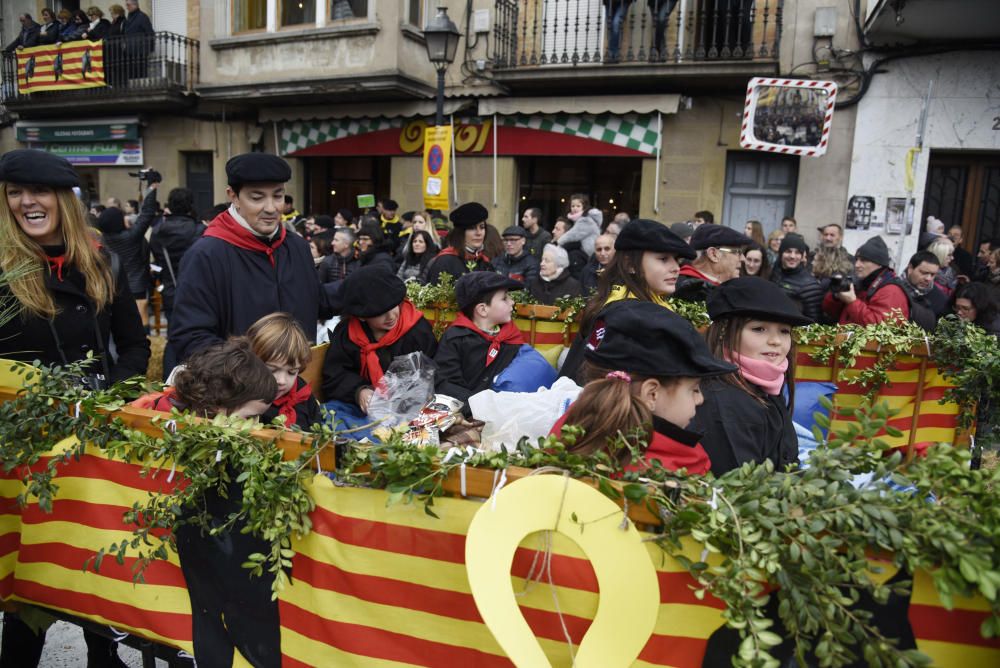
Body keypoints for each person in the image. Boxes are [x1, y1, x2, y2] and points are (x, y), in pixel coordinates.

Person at [0, 149, 149, 668]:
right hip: (24, 444)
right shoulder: (1, 268)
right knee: (32, 571)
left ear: (62, 199)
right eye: (15, 192)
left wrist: (110, 396)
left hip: (96, 437)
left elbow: (134, 345)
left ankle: (102, 658)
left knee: (94, 556)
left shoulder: (101, 259)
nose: (26, 202)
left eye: (37, 191)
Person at [132, 338, 282, 668]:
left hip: (207, 550)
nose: (254, 428)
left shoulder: (210, 430)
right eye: (249, 418)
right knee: (204, 623)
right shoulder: (176, 434)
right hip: (193, 548)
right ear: (215, 407)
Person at [169, 153, 331, 362]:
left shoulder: (297, 246)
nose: (271, 208)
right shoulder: (205, 255)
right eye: (257, 198)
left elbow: (315, 301)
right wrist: (251, 374)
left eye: (278, 196)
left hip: (297, 384)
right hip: (239, 387)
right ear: (233, 196)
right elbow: (191, 337)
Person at [551, 301, 736, 473]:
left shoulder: (567, 432)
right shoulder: (681, 467)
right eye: (694, 389)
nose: (700, 399)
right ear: (652, 394)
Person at [690, 277, 810, 476]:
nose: (775, 341)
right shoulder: (721, 398)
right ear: (724, 332)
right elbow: (741, 487)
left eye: (784, 331)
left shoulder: (766, 383)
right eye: (759, 329)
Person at [561, 219, 695, 381]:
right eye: (664, 259)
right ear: (630, 265)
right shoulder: (626, 316)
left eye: (677, 260)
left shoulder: (641, 306)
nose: (676, 268)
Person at [321, 267, 436, 414]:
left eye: (393, 306)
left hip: (412, 408)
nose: (391, 316)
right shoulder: (347, 335)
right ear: (361, 316)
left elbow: (431, 371)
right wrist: (359, 392)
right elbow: (336, 374)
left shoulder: (416, 330)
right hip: (363, 409)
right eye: (380, 313)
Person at [434, 271, 528, 410]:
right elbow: (446, 383)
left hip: (502, 411)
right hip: (462, 412)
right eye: (504, 298)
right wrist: (478, 407)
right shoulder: (456, 338)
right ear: (483, 309)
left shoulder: (511, 338)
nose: (512, 302)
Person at [246, 313, 321, 429]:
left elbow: (317, 426)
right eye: (272, 370)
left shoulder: (301, 391)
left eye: (291, 372)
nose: (282, 381)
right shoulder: (247, 403)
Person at [822, 235, 909, 326]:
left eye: (863, 260)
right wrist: (836, 296)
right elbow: (830, 312)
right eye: (857, 259)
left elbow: (879, 328)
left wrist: (852, 302)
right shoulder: (862, 282)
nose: (857, 265)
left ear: (879, 264)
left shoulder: (891, 291)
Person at [96, 204, 153, 330]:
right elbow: (146, 215)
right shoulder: (130, 237)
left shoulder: (103, 239)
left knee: (121, 320)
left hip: (113, 285)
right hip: (136, 286)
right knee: (140, 318)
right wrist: (152, 188)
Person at [674, 224, 751, 302]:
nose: (743, 259)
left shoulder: (721, 289)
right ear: (713, 254)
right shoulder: (687, 292)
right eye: (738, 252)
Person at [425, 202, 493, 284]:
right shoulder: (445, 261)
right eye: (472, 228)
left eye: (482, 227)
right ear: (461, 233)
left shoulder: (485, 262)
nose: (479, 233)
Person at [769, 233, 823, 323]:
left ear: (802, 256)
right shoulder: (775, 273)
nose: (792, 256)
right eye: (788, 251)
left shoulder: (810, 285)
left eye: (797, 252)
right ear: (781, 253)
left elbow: (814, 323)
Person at [898, 250, 946, 329]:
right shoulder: (894, 289)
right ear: (910, 268)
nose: (928, 278)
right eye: (924, 273)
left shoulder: (940, 299)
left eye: (933, 274)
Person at [122, 0, 153, 79]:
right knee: (131, 74)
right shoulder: (128, 17)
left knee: (140, 74)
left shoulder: (142, 17)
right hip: (129, 51)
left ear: (134, 5)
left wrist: (148, 49)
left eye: (128, 5)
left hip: (140, 51)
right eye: (126, 5)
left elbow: (150, 33)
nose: (127, 7)